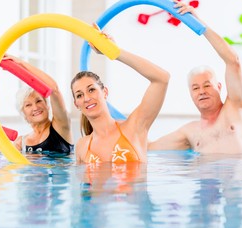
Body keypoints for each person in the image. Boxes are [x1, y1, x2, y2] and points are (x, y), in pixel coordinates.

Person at [148, 0, 242, 154]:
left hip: (238, 176)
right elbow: (148, 148)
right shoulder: (189, 132)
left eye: (207, 85)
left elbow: (233, 61)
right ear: (191, 94)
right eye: (196, 88)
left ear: (219, 87)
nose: (202, 91)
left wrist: (200, 25)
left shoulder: (235, 108)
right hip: (203, 177)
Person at [71, 25, 170, 164]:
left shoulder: (134, 127)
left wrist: (115, 52)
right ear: (76, 104)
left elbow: (162, 78)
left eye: (91, 90)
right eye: (79, 95)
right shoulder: (81, 147)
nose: (87, 98)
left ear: (105, 92)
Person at [0, 55, 73, 155]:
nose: (35, 107)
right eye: (28, 105)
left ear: (47, 105)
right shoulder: (21, 143)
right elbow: (1, 159)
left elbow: (54, 90)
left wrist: (21, 64)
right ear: (23, 113)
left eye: (39, 101)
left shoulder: (61, 126)